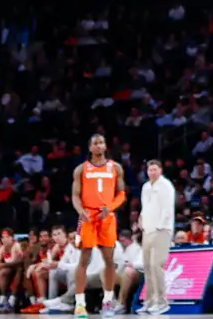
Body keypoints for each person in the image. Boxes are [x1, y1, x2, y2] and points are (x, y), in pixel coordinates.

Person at [72, 135, 126, 318]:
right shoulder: (81, 169)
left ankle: (108, 302)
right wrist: (80, 211)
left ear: (105, 146)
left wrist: (110, 207)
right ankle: (80, 304)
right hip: (88, 216)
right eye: (95, 143)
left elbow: (121, 194)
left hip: (107, 216)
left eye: (101, 142)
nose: (99, 145)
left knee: (109, 260)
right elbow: (75, 195)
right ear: (90, 147)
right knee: (84, 260)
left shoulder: (116, 167)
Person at [136, 162, 174, 315]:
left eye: (154, 169)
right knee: (147, 266)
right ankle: (149, 301)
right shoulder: (146, 187)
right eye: (149, 169)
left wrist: (160, 225)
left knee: (156, 265)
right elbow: (145, 206)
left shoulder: (165, 185)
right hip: (147, 230)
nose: (151, 172)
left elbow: (167, 207)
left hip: (162, 229)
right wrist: (141, 219)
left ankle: (162, 302)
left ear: (160, 170)